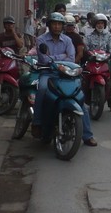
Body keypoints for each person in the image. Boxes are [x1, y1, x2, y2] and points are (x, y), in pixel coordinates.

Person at [35, 12, 98, 146]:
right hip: (47, 73)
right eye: (54, 24)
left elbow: (71, 58)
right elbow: (44, 59)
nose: (57, 27)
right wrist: (60, 59)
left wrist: (56, 59)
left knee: (79, 98)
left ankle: (87, 135)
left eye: (59, 24)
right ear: (49, 25)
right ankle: (37, 122)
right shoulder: (41, 40)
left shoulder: (68, 40)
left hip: (66, 75)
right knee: (42, 89)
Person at [84, 14, 111, 112]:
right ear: (94, 24)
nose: (100, 25)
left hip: (105, 62)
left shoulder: (108, 35)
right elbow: (87, 48)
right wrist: (89, 53)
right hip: (92, 61)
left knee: (107, 81)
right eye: (98, 23)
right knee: (86, 79)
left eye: (102, 23)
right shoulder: (89, 36)